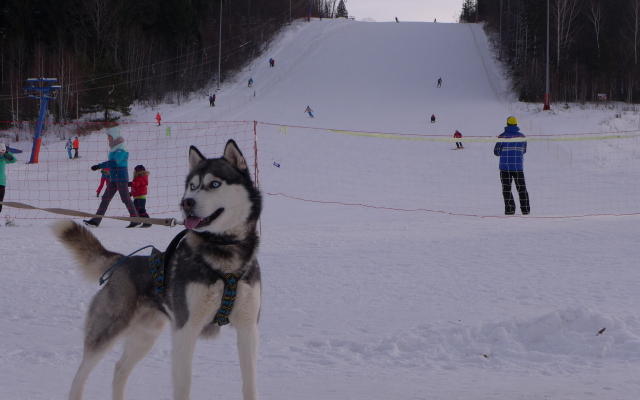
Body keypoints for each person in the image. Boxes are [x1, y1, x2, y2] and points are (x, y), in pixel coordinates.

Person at [84, 127, 140, 228]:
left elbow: (114, 162)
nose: (108, 138)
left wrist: (99, 166)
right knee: (105, 198)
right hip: (113, 178)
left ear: (114, 136)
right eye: (108, 136)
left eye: (109, 136)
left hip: (121, 178)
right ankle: (96, 221)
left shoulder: (122, 146)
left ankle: (135, 220)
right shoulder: (114, 147)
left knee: (125, 198)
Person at [494, 116, 530, 215]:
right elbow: (524, 150)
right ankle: (525, 210)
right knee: (522, 188)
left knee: (506, 189)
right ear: (516, 124)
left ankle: (510, 210)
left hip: (504, 168)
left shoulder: (502, 136)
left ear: (507, 124)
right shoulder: (522, 136)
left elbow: (496, 151)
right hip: (518, 167)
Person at [0, 143, 17, 215]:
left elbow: (14, 160)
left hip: (2, 183)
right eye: (0, 152)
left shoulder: (4, 158)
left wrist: (7, 152)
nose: (1, 153)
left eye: (3, 152)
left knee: (0, 202)